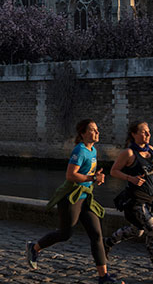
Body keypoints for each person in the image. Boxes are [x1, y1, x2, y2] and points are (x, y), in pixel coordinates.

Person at [26, 119, 124, 284]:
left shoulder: (92, 150)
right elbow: (71, 175)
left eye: (97, 129)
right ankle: (34, 247)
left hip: (85, 197)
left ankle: (103, 277)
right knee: (65, 234)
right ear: (83, 134)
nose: (97, 132)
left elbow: (87, 175)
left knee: (97, 235)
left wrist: (95, 179)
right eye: (93, 130)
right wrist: (93, 177)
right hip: (71, 198)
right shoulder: (79, 150)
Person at [104, 121, 153, 284]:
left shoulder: (150, 150)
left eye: (148, 132)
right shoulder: (129, 153)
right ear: (134, 134)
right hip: (135, 200)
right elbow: (113, 171)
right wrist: (130, 178)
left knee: (138, 230)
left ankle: (108, 242)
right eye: (144, 132)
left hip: (148, 199)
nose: (148, 135)